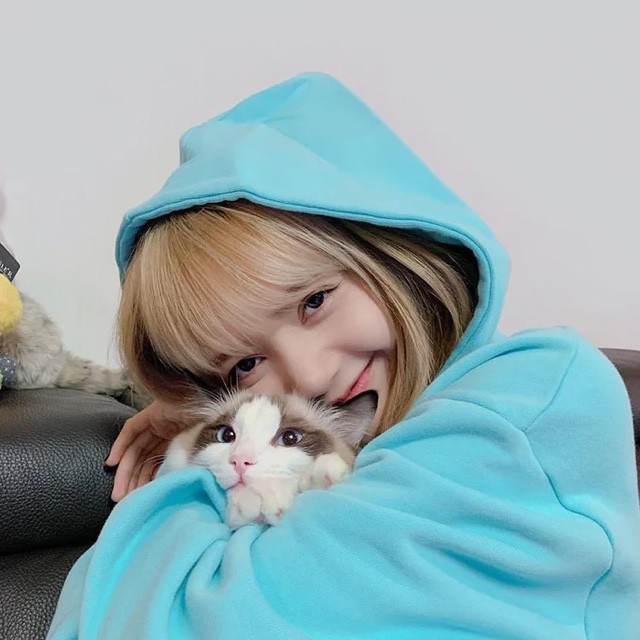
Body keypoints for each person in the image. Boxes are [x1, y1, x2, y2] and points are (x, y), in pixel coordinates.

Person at [48, 73, 640, 639]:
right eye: (244, 365)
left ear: (390, 251)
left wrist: (189, 468)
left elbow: (191, 621)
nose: (308, 375)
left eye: (314, 301)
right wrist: (225, 427)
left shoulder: (535, 388)